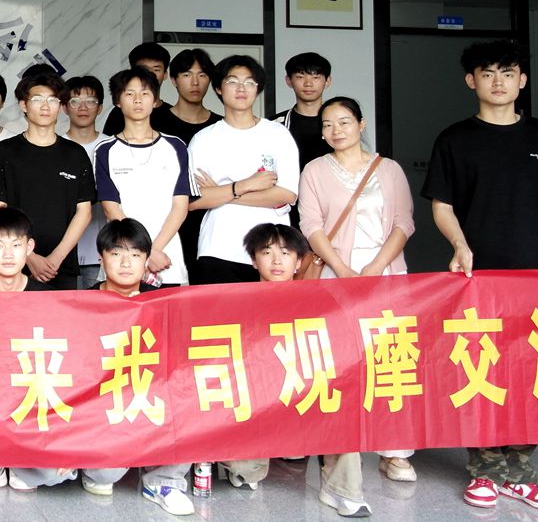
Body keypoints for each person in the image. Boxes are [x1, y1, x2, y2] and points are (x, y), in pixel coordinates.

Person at [424, 39, 538, 513]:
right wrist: (460, 245)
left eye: (507, 73)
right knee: (483, 369)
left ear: (522, 80)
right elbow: (442, 206)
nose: (498, 81)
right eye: (487, 73)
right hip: (480, 276)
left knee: (533, 371)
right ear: (472, 81)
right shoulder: (455, 139)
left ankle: (521, 473)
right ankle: (485, 470)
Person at [298, 94, 418, 482]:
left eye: (344, 122)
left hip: (386, 275)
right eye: (327, 125)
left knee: (390, 358)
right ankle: (337, 447)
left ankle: (395, 452)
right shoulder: (315, 170)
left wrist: (375, 269)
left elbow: (403, 222)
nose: (336, 130)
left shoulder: (389, 169)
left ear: (361, 125)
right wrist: (342, 269)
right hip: (337, 275)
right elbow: (311, 225)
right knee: (338, 362)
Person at [218, 223, 370, 518]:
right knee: (244, 469)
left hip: (306, 388)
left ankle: (342, 490)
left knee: (342, 404)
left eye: (286, 253)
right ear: (253, 260)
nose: (277, 260)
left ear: (299, 261)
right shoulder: (235, 302)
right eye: (267, 252)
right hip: (256, 394)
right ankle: (243, 467)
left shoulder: (320, 300)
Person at [0, 207, 76, 497]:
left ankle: (22, 467)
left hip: (32, 403)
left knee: (53, 473)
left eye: (16, 245)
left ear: (29, 248)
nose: (8, 255)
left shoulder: (50, 300)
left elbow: (70, 367)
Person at [80, 219, 194, 515]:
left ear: (146, 261)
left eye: (135, 254)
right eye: (116, 253)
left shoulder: (163, 302)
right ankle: (94, 469)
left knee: (190, 400)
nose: (126, 263)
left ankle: (164, 481)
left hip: (151, 397)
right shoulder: (81, 304)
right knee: (104, 477)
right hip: (102, 405)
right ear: (101, 258)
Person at [187, 55, 299, 284]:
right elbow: (193, 200)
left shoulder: (277, 134)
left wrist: (222, 193)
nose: (241, 88)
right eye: (232, 81)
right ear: (218, 88)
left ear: (258, 89)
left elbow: (287, 194)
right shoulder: (204, 139)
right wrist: (246, 185)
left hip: (271, 254)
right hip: (218, 248)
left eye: (249, 82)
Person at [0, 70, 93, 290]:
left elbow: (84, 212)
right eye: (38, 99)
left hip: (61, 266)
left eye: (52, 100)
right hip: (13, 265)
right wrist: (29, 257)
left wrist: (56, 259)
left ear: (61, 106)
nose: (45, 106)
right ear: (24, 105)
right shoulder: (5, 152)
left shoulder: (75, 154)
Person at [94, 67, 193, 286]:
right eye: (129, 94)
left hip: (166, 259)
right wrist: (143, 253)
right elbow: (111, 209)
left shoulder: (176, 147)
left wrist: (154, 251)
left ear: (155, 100)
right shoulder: (105, 150)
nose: (138, 100)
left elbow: (180, 206)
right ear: (118, 101)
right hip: (122, 261)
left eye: (145, 93)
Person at [155, 48, 220, 280]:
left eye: (202, 75)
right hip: (165, 219)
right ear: (173, 80)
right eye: (186, 75)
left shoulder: (219, 126)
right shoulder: (155, 123)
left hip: (210, 220)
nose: (195, 82)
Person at [271, 52, 334, 225]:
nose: (308, 83)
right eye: (300, 77)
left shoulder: (339, 125)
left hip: (331, 209)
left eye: (316, 77)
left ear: (328, 81)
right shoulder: (274, 126)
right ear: (288, 81)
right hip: (287, 211)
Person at [62, 74, 108, 288]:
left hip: (101, 251)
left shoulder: (111, 146)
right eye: (75, 101)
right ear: (64, 107)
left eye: (90, 101)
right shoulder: (55, 147)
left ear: (100, 108)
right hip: (61, 253)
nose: (83, 107)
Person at [101, 42, 170, 136]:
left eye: (156, 70)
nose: (150, 75)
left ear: (165, 74)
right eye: (144, 69)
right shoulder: (119, 113)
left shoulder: (173, 115)